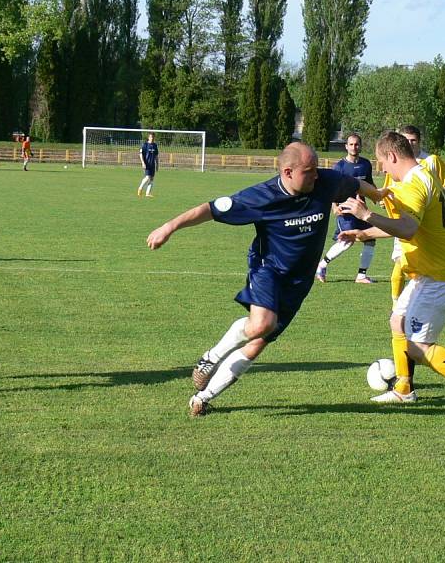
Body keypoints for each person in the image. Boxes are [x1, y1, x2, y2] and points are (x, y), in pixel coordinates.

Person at [147, 142, 383, 417]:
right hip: (268, 269)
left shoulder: (325, 181)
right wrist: (169, 227)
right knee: (262, 323)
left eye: (316, 168)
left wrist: (377, 194)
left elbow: (354, 183)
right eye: (308, 171)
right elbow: (211, 209)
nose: (316, 175)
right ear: (287, 172)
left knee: (258, 341)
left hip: (300, 281)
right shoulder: (262, 196)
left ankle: (203, 398)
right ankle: (210, 358)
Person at [338, 130, 445, 418]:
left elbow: (407, 229)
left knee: (417, 347)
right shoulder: (423, 174)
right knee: (397, 321)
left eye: (382, 163)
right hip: (432, 270)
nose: (382, 169)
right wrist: (364, 233)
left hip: (442, 274)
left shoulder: (413, 185)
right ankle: (403, 390)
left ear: (391, 156)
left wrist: (366, 216)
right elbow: (401, 222)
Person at [387, 125, 445, 304]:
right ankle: (397, 305)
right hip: (404, 218)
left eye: (413, 140)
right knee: (401, 262)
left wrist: (431, 199)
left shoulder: (431, 161)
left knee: (420, 265)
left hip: (427, 223)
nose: (409, 143)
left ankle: (417, 302)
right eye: (405, 140)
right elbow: (390, 189)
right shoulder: (395, 164)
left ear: (419, 141)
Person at [315, 133, 378, 284]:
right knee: (348, 240)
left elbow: (369, 183)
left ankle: (361, 275)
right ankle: (321, 266)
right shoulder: (340, 166)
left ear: (360, 146)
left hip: (361, 209)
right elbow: (331, 188)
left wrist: (377, 196)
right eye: (351, 144)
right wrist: (334, 206)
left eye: (356, 144)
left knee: (370, 239)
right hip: (345, 210)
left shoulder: (366, 164)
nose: (354, 147)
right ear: (346, 146)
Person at [137, 132, 159, 197]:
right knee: (147, 177)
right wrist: (143, 163)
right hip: (147, 164)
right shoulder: (145, 145)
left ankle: (147, 193)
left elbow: (156, 156)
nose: (152, 138)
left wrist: (157, 164)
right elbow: (141, 154)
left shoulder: (155, 145)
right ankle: (140, 189)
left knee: (152, 178)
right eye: (150, 137)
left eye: (153, 137)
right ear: (148, 137)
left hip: (152, 164)